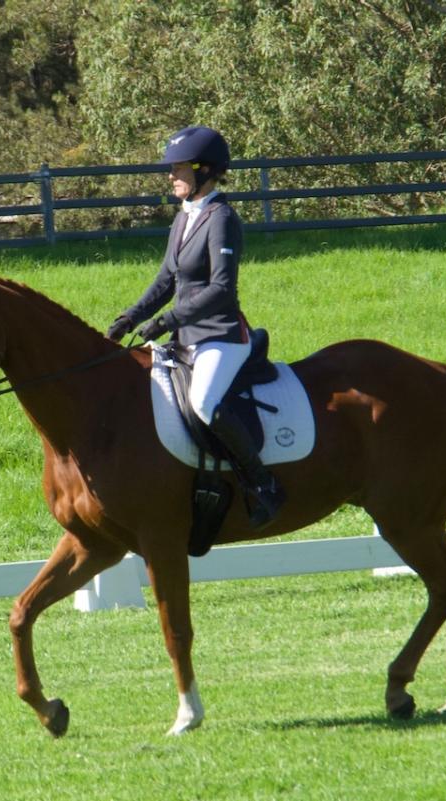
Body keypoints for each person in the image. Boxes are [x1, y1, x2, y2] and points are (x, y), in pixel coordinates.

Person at [106, 125, 285, 528]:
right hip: (187, 337)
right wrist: (130, 318)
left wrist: (166, 320)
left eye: (178, 168)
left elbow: (221, 290)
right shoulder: (184, 218)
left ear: (204, 170)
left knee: (204, 401)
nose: (171, 176)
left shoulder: (221, 218)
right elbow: (165, 280)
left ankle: (263, 483)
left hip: (222, 335)